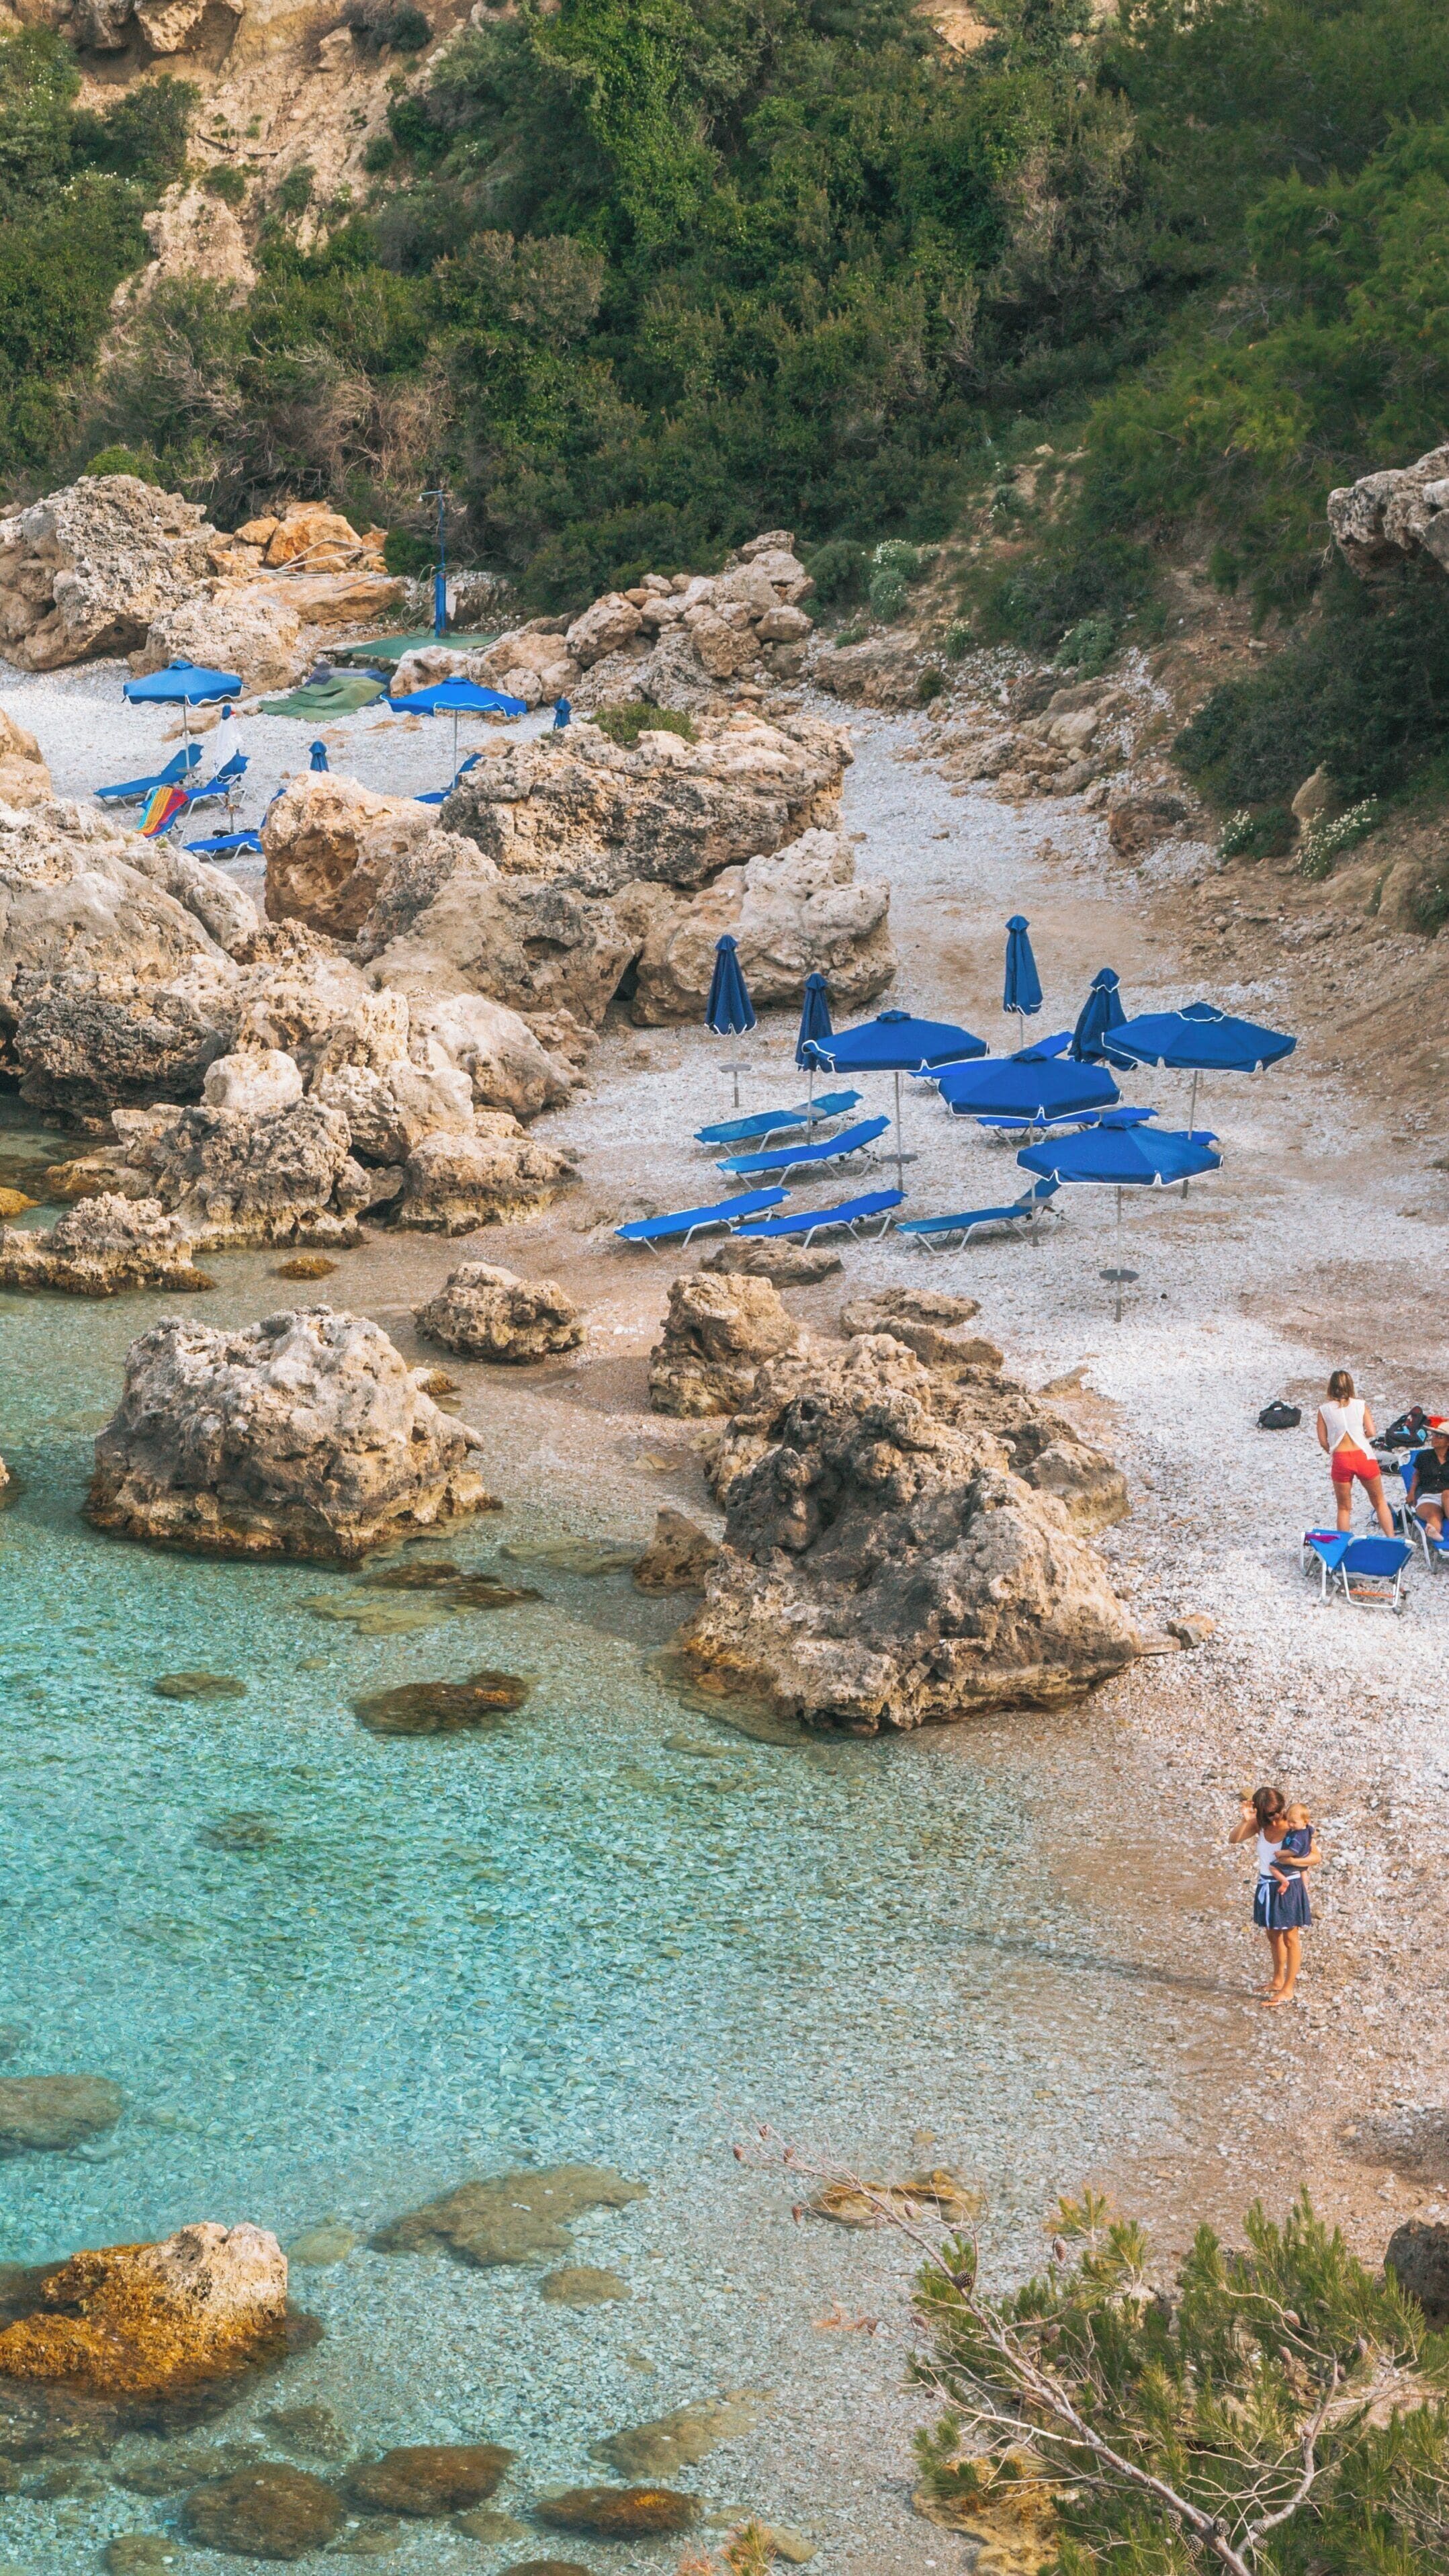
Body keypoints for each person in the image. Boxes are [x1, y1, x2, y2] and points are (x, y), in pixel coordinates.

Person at [1229, 1787, 1317, 2008]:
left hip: (1289, 1887)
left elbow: (1316, 1857)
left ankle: (1288, 1989)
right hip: (1266, 1885)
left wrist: (1291, 1863)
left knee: (1290, 1938)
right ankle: (1278, 1980)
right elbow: (1234, 1839)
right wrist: (1245, 1820)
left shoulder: (1294, 1826)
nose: (1275, 1817)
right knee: (1273, 1936)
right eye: (1269, 1814)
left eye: (1277, 1812)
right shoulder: (1260, 1824)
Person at [1315, 1369, 1393, 1535]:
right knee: (1379, 1501)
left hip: (1342, 1458)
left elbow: (1323, 1441)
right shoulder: (1360, 1405)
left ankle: (1343, 1547)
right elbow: (1372, 1432)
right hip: (1363, 1455)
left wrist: (1333, 1448)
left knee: (1344, 1508)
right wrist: (1360, 1436)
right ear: (1350, 1386)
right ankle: (1392, 1539)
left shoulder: (1324, 1410)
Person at [1406, 1418, 1449, 1541]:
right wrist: (1411, 1493)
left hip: (1447, 1497)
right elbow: (1417, 1475)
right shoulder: (1424, 1457)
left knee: (1447, 1494)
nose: (1434, 1438)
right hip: (1429, 1496)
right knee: (1433, 1514)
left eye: (1440, 1436)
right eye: (1434, 1434)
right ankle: (1435, 1533)